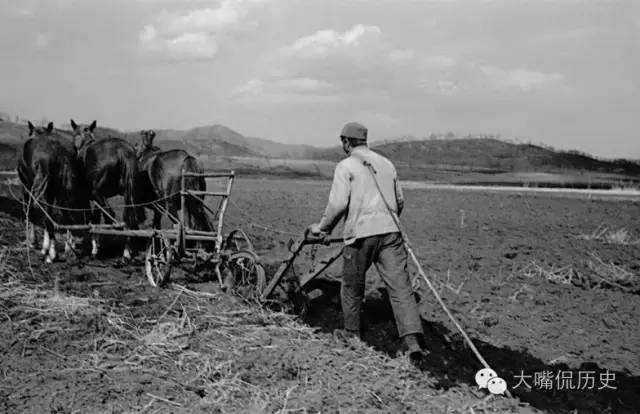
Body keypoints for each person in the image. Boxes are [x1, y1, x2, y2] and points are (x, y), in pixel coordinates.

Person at [307, 121, 425, 360]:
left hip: (361, 234)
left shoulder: (346, 165)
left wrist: (322, 228)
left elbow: (339, 203)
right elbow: (399, 201)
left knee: (351, 286)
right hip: (391, 233)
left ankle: (352, 335)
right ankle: (412, 342)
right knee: (401, 288)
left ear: (346, 142)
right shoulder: (387, 163)